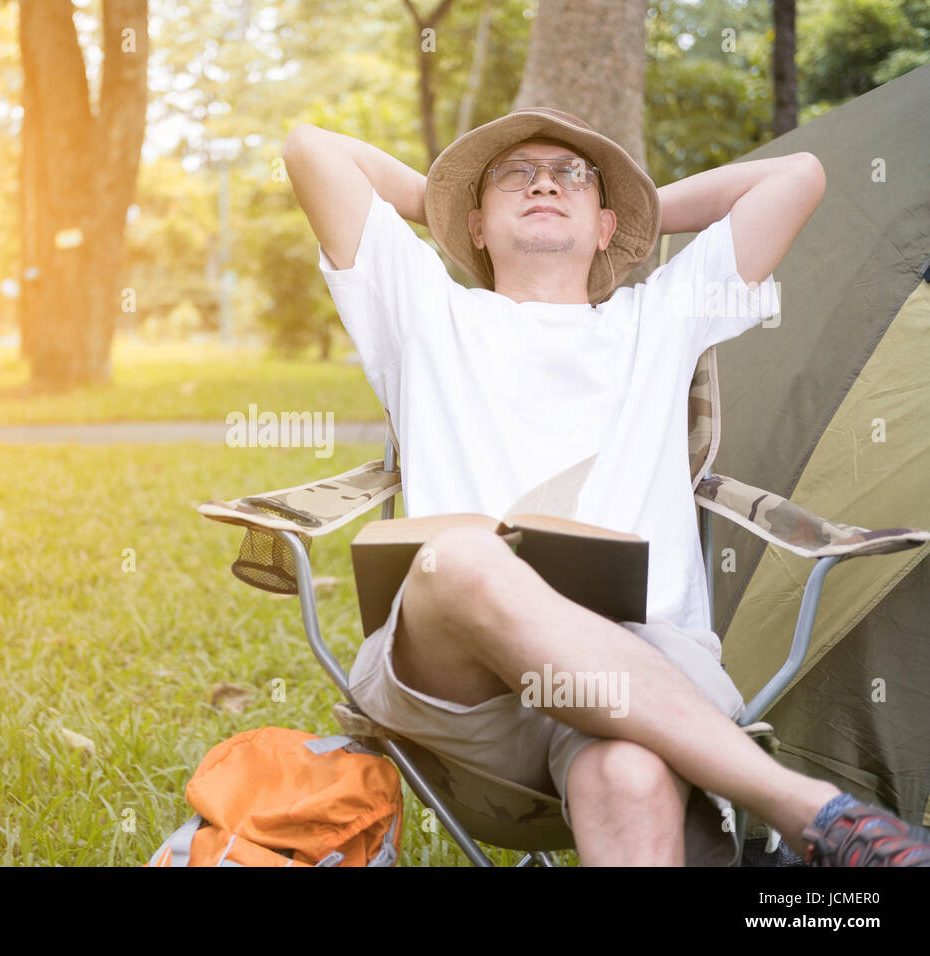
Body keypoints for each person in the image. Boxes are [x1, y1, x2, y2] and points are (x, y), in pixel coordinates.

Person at [282, 106, 930, 867]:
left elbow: (798, 177)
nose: (545, 184)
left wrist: (628, 211)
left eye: (573, 176)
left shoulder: (661, 316)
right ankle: (802, 806)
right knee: (463, 557)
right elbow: (310, 148)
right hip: (465, 685)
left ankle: (816, 825)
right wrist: (456, 202)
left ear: (608, 227)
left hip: (643, 673)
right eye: (515, 175)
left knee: (629, 771)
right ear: (477, 227)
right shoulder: (424, 311)